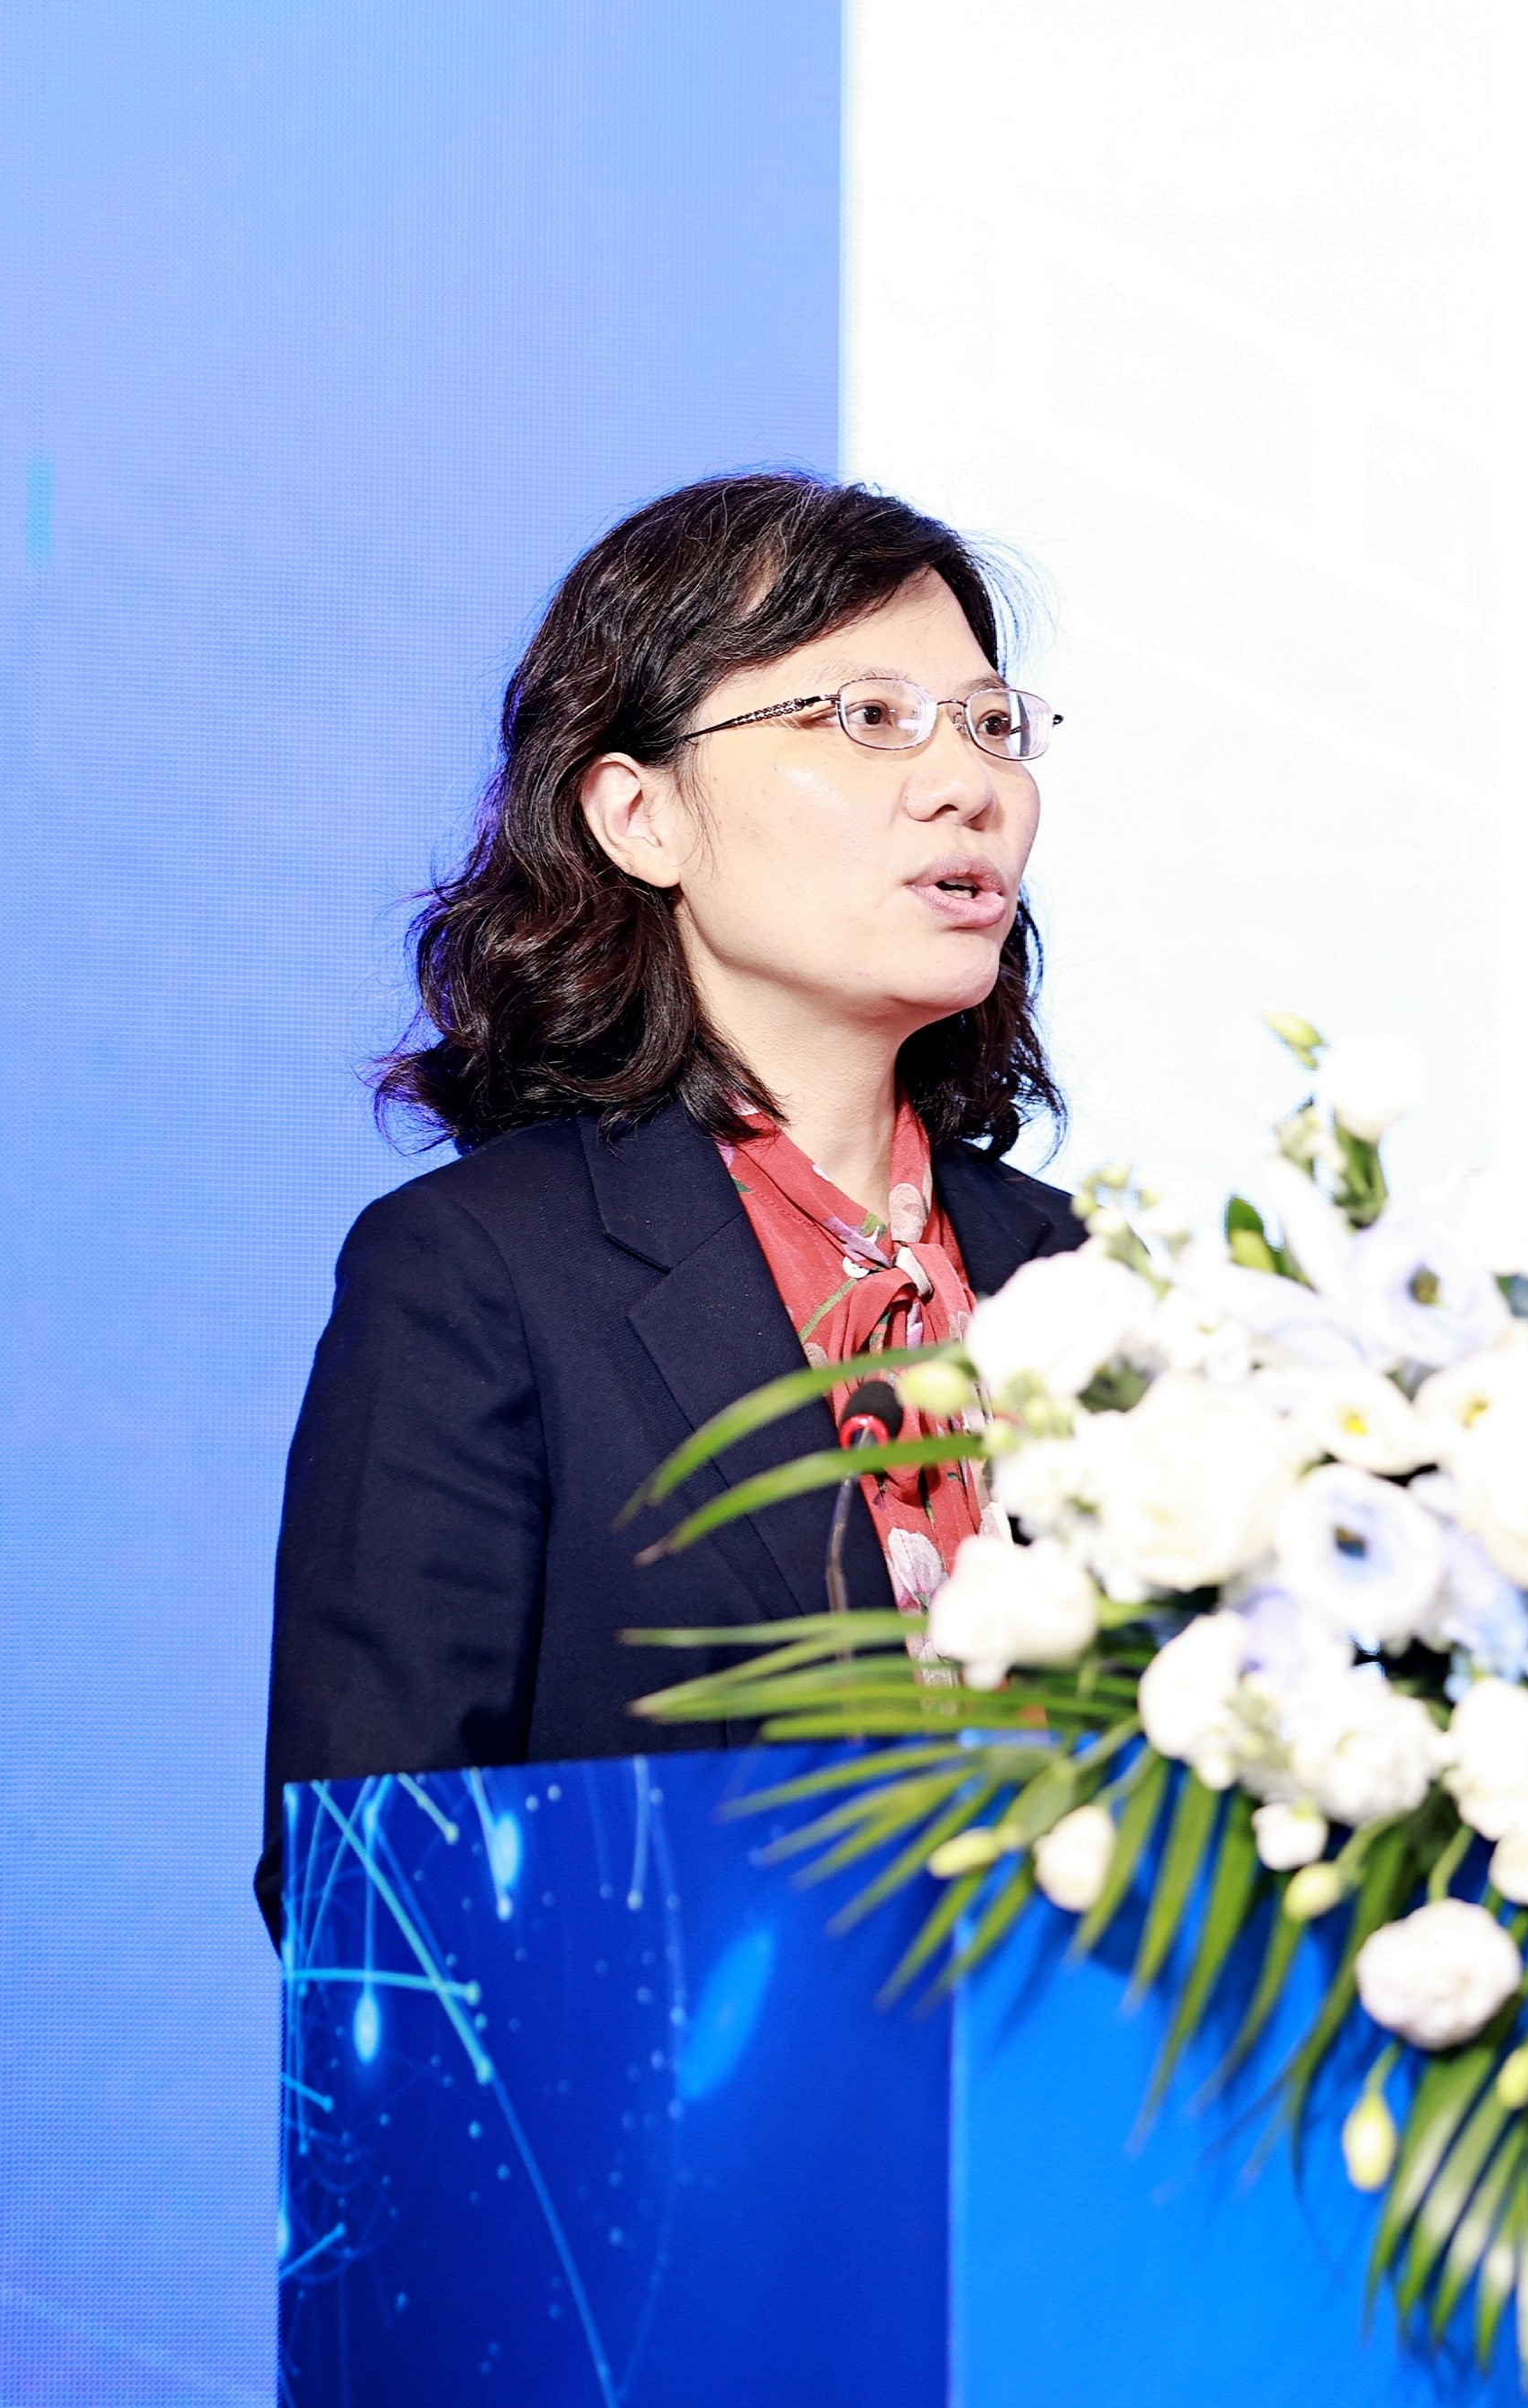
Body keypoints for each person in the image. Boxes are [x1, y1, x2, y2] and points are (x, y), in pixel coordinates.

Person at [257, 472, 1078, 1943]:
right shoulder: (478, 1277)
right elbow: (372, 1885)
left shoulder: (1084, 1280)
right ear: (640, 816)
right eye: (869, 716)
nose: (968, 783)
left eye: (991, 724)